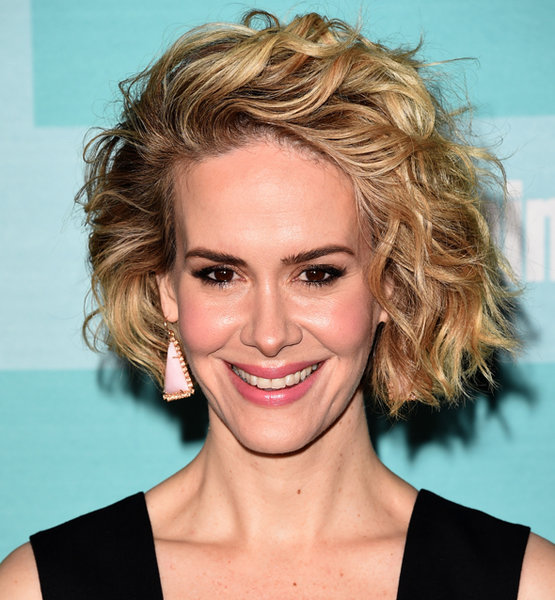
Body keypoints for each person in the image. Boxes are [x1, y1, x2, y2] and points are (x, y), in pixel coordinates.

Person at [0, 10, 553, 600]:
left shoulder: (526, 584)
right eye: (220, 275)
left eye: (316, 274)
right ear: (165, 288)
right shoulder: (39, 587)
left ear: (391, 283)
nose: (268, 334)